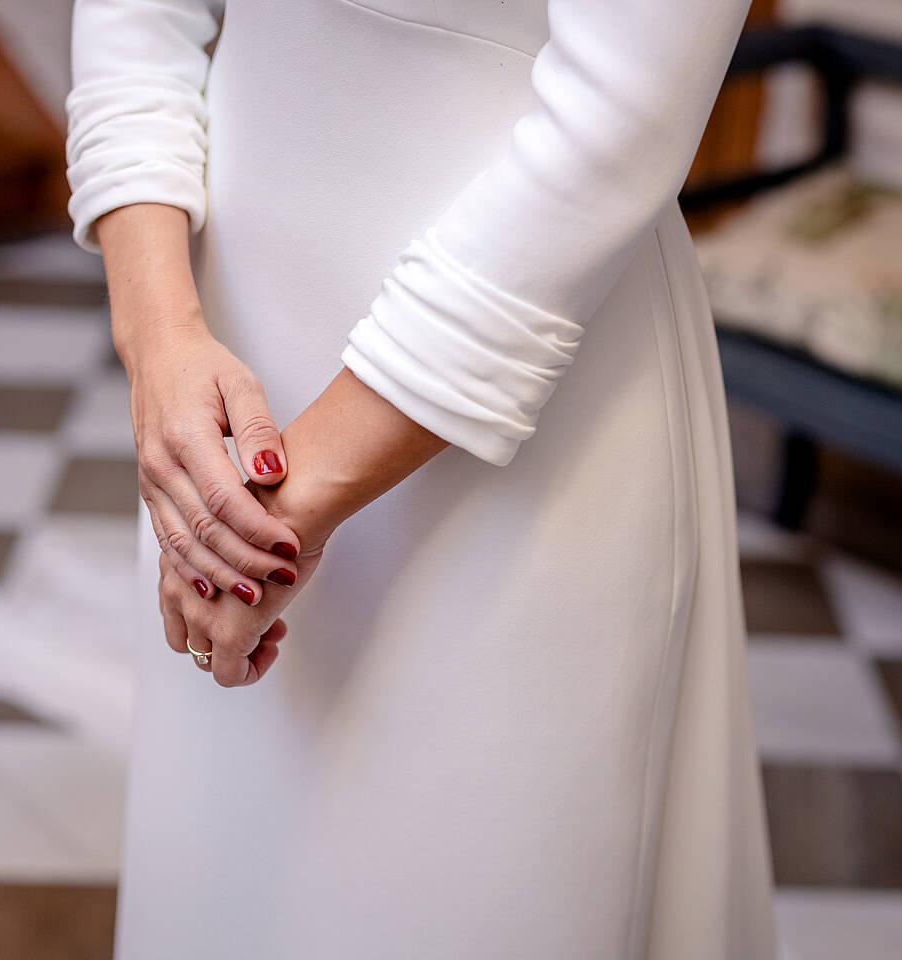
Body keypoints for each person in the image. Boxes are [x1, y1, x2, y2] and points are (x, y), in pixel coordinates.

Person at [65, 0, 777, 955]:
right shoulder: (195, 393)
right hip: (227, 376)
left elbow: (621, 119)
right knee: (227, 875)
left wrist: (281, 507)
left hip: (524, 402)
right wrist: (159, 344)